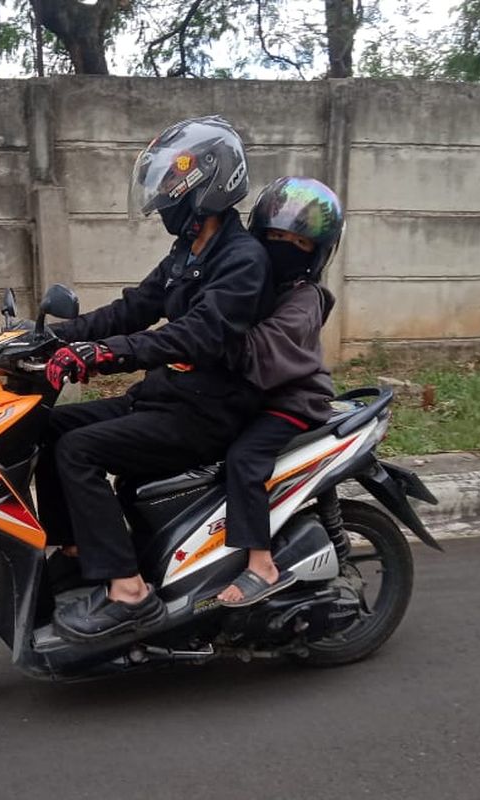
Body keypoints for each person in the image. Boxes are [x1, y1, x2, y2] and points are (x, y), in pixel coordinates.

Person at [36, 116, 273, 641]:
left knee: (79, 451)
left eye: (173, 181)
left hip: (206, 414)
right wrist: (53, 338)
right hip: (166, 398)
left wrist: (99, 356)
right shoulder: (188, 251)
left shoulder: (242, 260)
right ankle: (77, 553)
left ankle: (129, 593)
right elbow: (134, 308)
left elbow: (190, 336)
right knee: (48, 430)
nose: (164, 193)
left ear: (207, 181)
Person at [216, 176, 345, 607]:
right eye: (274, 236)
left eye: (298, 241)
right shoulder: (257, 284)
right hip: (254, 395)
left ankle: (260, 563)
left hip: (292, 401)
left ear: (317, 252)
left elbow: (261, 350)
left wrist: (203, 341)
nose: (283, 247)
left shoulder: (305, 298)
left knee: (244, 459)